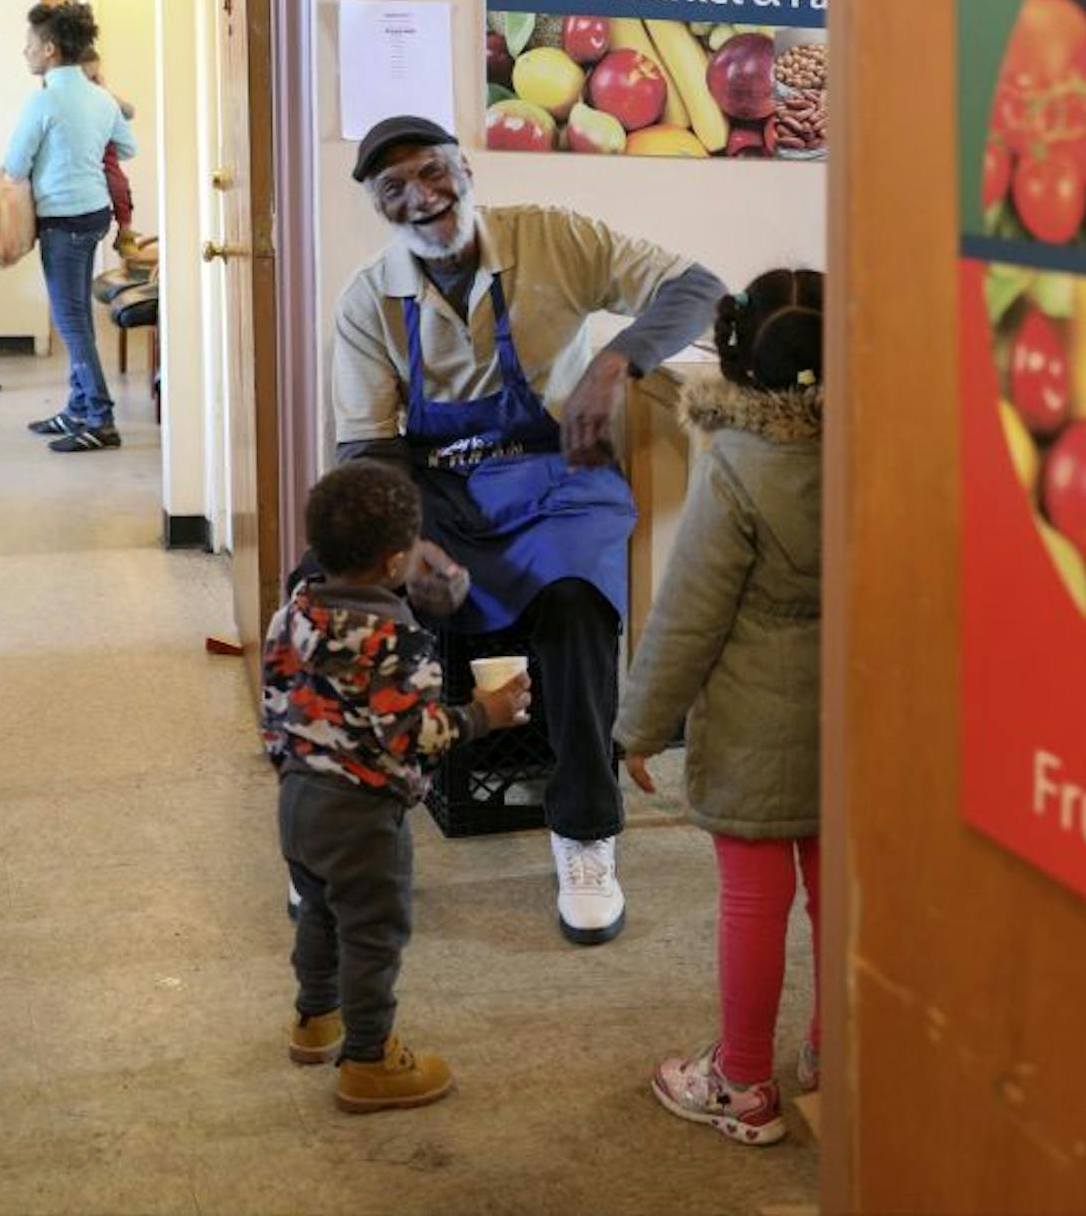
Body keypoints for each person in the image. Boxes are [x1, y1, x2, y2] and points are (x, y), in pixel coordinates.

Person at [332, 114, 726, 945]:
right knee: (338, 598)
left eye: (431, 171)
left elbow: (699, 286)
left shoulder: (554, 238)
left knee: (578, 605)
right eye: (392, 188)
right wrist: (407, 544)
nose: (420, 197)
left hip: (557, 478)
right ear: (378, 207)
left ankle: (585, 830)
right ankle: (344, 827)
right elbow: (367, 445)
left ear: (465, 167)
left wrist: (616, 362)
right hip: (436, 487)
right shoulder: (369, 297)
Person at [614, 269, 825, 1147]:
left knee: (753, 895)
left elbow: (689, 614)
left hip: (755, 720)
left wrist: (638, 723)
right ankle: (836, 1052)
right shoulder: (885, 442)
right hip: (855, 715)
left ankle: (742, 1080)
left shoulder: (737, 466)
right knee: (839, 891)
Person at [264, 461, 532, 1112]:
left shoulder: (292, 613)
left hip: (297, 800)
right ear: (394, 564)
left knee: (321, 913)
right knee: (373, 935)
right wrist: (483, 714)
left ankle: (314, 1018)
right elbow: (414, 736)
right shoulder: (398, 641)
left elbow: (273, 703)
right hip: (362, 814)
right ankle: (368, 1059)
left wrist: (295, 770)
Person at [4, 2, 136, 452]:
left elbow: (15, 164)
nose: (24, 52)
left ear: (50, 49)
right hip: (94, 214)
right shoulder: (101, 97)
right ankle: (77, 409)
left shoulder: (44, 100)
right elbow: (128, 145)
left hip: (62, 220)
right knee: (76, 313)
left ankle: (101, 419)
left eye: (29, 45)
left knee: (71, 321)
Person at [77, 47, 157, 264]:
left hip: (105, 148)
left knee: (119, 184)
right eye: (87, 77)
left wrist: (103, 91)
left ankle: (125, 230)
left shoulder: (101, 95)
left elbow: (129, 111)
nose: (91, 82)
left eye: (94, 76)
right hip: (84, 152)